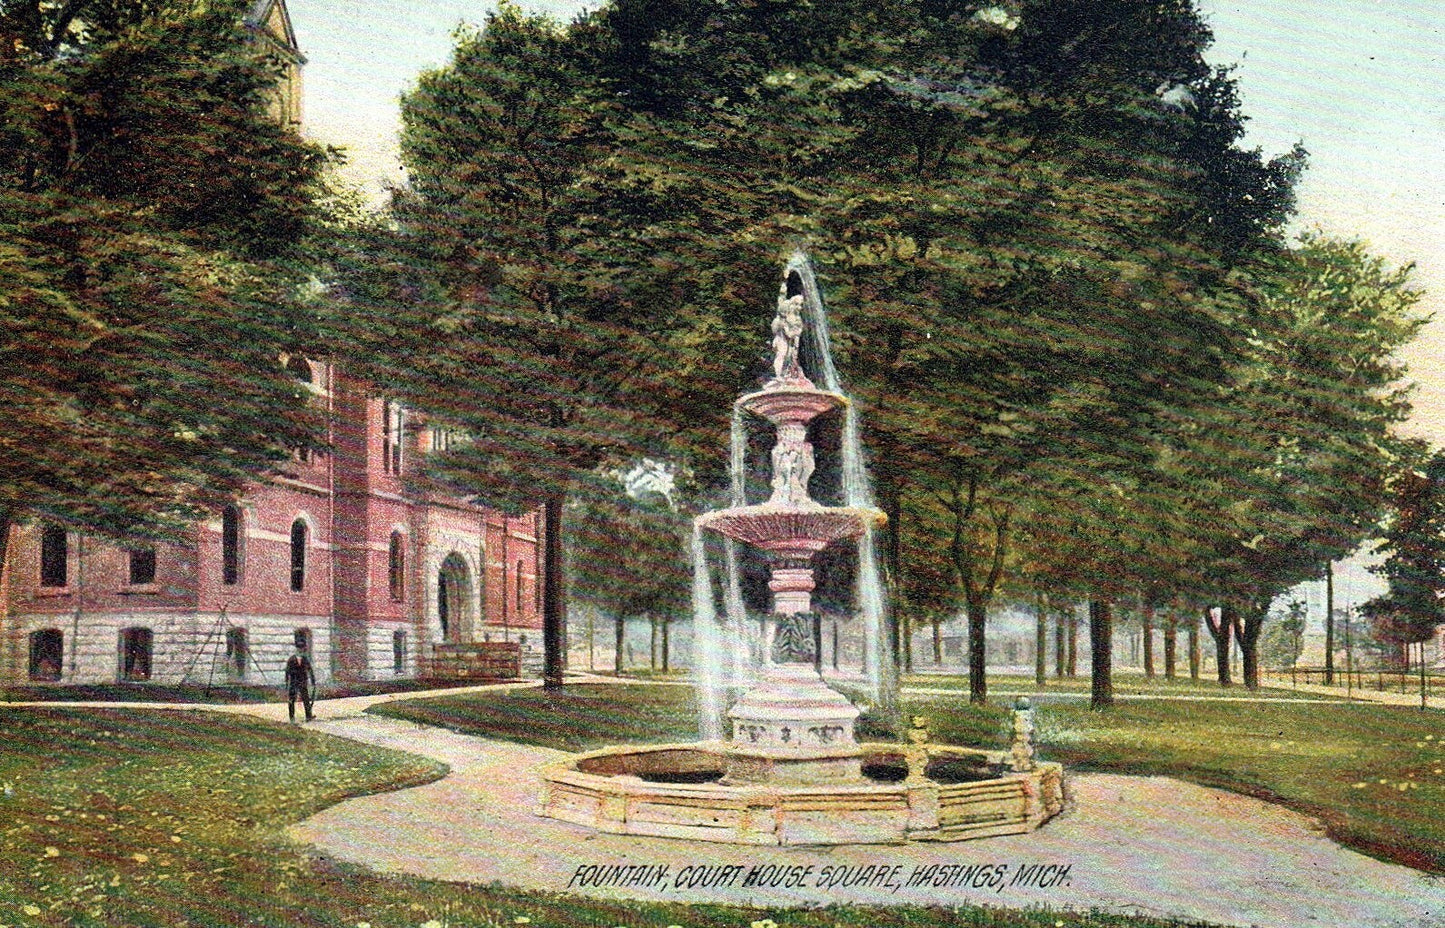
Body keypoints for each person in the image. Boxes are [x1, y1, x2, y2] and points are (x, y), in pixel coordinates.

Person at [284, 643, 317, 722]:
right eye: (299, 648)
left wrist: (313, 681)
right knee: (291, 700)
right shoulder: (291, 659)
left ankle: (308, 716)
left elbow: (310, 670)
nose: (300, 650)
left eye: (301, 648)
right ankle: (292, 717)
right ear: (296, 649)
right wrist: (286, 682)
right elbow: (287, 671)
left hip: (303, 682)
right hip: (293, 682)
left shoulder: (305, 659)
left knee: (306, 699)